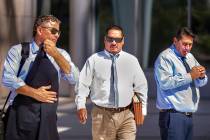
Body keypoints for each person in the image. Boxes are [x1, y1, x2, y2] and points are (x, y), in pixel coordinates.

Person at [2, 15, 79, 140]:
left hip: (48, 118)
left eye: (59, 32)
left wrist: (56, 55)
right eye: (53, 31)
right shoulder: (18, 50)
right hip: (20, 116)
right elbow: (7, 78)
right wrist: (35, 93)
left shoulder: (61, 54)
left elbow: (75, 79)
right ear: (39, 30)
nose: (57, 35)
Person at [75, 25, 148, 140]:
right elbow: (82, 84)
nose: (114, 42)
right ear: (105, 40)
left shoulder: (131, 60)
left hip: (127, 115)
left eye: (118, 40)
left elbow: (141, 86)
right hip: (102, 115)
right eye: (110, 39)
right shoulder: (94, 60)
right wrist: (80, 106)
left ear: (123, 41)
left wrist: (142, 110)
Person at [154, 27, 208, 140]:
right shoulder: (165, 57)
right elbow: (165, 82)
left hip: (188, 116)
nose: (187, 48)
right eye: (184, 44)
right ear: (175, 41)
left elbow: (200, 83)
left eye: (190, 44)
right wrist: (190, 76)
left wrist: (202, 76)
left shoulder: (190, 57)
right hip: (173, 116)